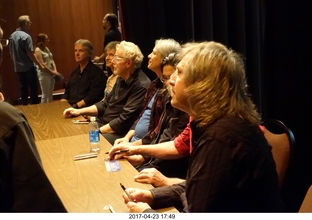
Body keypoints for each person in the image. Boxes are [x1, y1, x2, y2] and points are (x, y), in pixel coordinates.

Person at [117, 41, 283, 212]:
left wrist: (146, 214)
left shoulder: (221, 138)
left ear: (203, 86)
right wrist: (153, 196)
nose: (171, 81)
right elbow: (196, 188)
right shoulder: (213, 124)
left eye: (179, 73)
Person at [0, 1, 66, 212]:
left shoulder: (13, 37)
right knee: (35, 97)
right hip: (29, 70)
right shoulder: (6, 123)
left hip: (17, 70)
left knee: (24, 97)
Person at [119, 53, 190, 187]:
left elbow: (203, 194)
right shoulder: (175, 104)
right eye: (166, 78)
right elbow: (169, 139)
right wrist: (140, 154)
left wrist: (163, 184)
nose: (171, 82)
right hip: (159, 168)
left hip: (170, 173)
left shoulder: (220, 131)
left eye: (178, 74)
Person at [63, 41, 151, 144]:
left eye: (117, 58)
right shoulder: (121, 78)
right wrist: (78, 111)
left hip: (119, 133)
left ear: (128, 63)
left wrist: (96, 132)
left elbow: (123, 121)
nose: (113, 61)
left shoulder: (141, 85)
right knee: (69, 130)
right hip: (104, 124)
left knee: (82, 141)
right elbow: (104, 104)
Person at [114, 39, 181, 146]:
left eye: (154, 53)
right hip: (136, 142)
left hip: (147, 146)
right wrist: (126, 138)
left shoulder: (171, 92)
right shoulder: (154, 84)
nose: (148, 56)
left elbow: (159, 133)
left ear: (165, 58)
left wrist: (135, 148)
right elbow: (141, 116)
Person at [61, 39, 107, 108]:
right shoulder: (74, 73)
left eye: (80, 51)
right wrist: (62, 105)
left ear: (89, 53)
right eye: (75, 50)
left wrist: (75, 107)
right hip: (71, 107)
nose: (77, 53)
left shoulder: (97, 73)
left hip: (85, 109)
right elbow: (67, 92)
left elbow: (93, 96)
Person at [9, 15, 43, 105]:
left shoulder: (12, 36)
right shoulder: (26, 37)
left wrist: (16, 63)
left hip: (18, 68)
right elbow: (30, 53)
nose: (30, 24)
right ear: (25, 24)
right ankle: (36, 109)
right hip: (28, 67)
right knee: (33, 89)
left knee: (23, 89)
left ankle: (24, 108)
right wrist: (39, 64)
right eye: (29, 22)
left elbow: (11, 53)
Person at [35, 33, 61, 103]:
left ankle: (50, 109)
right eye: (46, 39)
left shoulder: (46, 48)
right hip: (44, 74)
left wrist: (55, 70)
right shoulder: (37, 50)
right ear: (41, 40)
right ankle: (43, 110)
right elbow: (42, 64)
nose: (48, 40)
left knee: (50, 94)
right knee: (45, 95)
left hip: (51, 73)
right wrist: (52, 72)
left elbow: (51, 59)